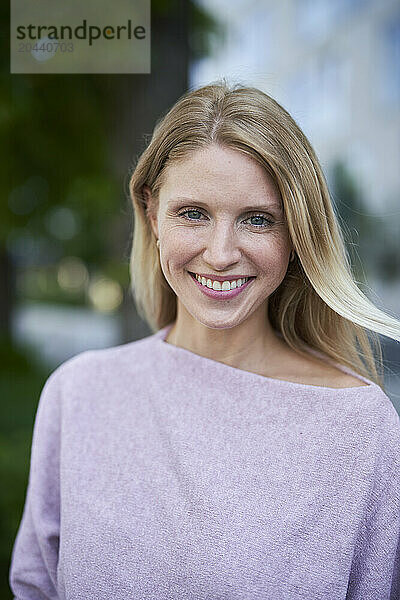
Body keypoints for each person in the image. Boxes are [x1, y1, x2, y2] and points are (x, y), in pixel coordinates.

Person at [9, 80, 400, 600]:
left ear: (296, 237)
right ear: (152, 213)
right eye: (193, 213)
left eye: (258, 220)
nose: (220, 253)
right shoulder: (78, 394)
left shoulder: (360, 428)